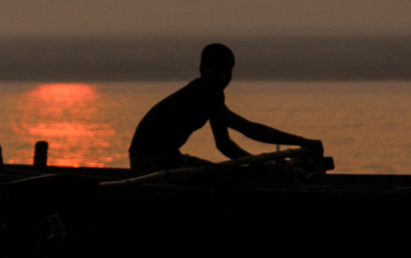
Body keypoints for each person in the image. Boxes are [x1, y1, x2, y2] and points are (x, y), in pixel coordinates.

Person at [128, 43, 323, 174]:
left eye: (227, 72)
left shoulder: (214, 96)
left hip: (167, 158)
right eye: (216, 72)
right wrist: (301, 141)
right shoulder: (201, 96)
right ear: (202, 71)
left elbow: (224, 144)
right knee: (221, 177)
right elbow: (248, 129)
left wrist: (259, 163)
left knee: (227, 175)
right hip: (149, 162)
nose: (223, 78)